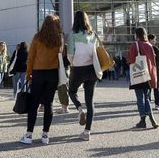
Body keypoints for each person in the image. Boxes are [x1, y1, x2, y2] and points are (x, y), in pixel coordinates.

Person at [19, 14, 62, 145]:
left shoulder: (37, 37)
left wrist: (28, 75)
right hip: (53, 74)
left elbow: (31, 58)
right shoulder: (59, 39)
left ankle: (29, 135)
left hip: (38, 73)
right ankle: (45, 136)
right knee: (48, 104)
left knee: (34, 104)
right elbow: (62, 56)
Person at [67, 11, 100, 141]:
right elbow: (97, 53)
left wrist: (74, 63)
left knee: (72, 91)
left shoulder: (73, 35)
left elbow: (70, 55)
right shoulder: (93, 35)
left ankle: (80, 110)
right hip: (92, 70)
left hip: (78, 69)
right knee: (90, 101)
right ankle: (87, 132)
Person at [128, 27, 159, 129]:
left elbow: (131, 60)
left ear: (136, 35)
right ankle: (151, 118)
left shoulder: (134, 45)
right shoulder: (149, 45)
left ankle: (142, 120)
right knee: (146, 98)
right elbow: (153, 62)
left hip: (138, 75)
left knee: (140, 98)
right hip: (148, 75)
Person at [147, 34, 159, 110]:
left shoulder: (144, 47)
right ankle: (157, 104)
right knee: (156, 88)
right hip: (155, 70)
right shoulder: (154, 48)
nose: (155, 41)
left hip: (147, 71)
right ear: (150, 40)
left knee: (148, 88)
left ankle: (148, 104)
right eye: (154, 40)